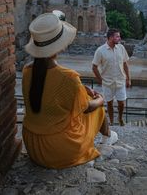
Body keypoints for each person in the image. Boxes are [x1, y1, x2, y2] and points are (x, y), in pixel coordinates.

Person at [22, 13, 118, 170]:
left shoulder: (27, 71)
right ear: (60, 45)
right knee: (98, 107)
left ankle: (107, 136)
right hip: (59, 149)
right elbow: (87, 108)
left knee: (81, 99)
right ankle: (107, 137)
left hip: (33, 145)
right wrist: (100, 99)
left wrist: (81, 88)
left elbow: (49, 91)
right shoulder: (68, 77)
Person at [92, 28, 131, 126]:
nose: (119, 38)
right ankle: (112, 121)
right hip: (107, 82)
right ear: (110, 38)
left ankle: (120, 118)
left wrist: (128, 79)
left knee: (121, 103)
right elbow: (94, 67)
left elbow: (125, 64)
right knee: (109, 103)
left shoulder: (121, 48)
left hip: (120, 81)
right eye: (117, 36)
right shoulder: (100, 51)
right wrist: (100, 80)